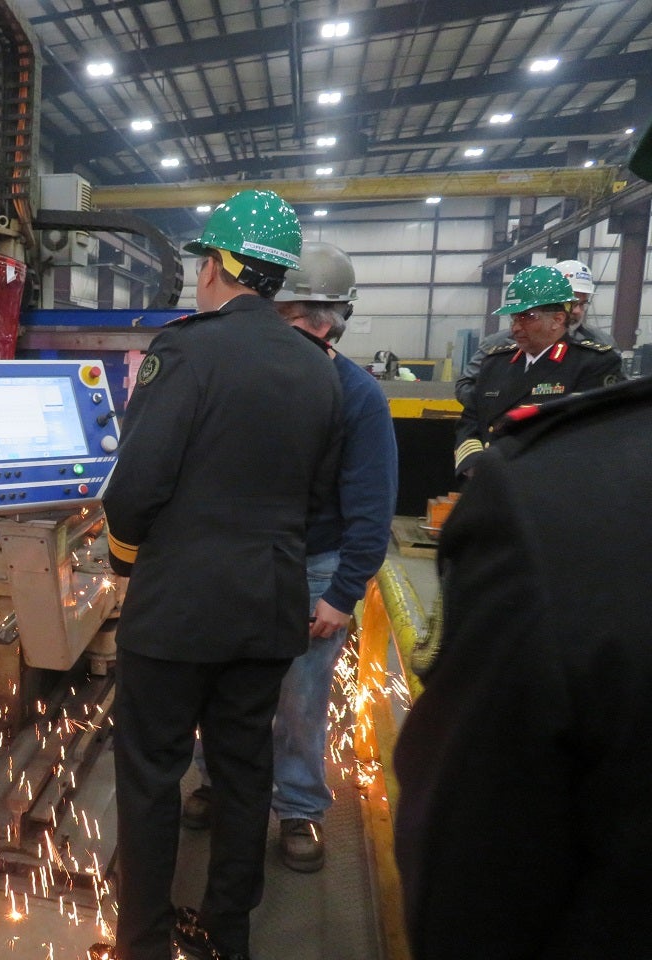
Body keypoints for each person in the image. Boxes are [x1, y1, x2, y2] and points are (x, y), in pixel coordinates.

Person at [98, 190, 342, 960]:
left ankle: (143, 941)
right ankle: (226, 935)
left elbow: (134, 489)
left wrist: (124, 557)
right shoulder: (319, 370)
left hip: (177, 612)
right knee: (244, 772)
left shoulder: (186, 351)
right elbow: (317, 496)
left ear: (216, 268)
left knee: (151, 776)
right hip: (269, 605)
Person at [394, 373, 652, 958]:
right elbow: (469, 424)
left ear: (562, 324)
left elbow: (469, 847)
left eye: (532, 322)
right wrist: (472, 463)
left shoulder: (552, 490)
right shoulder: (498, 373)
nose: (520, 328)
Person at [182, 243, 399, 872]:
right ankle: (215, 778)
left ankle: (300, 804)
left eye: (289, 316)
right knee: (221, 684)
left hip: (313, 568)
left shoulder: (356, 396)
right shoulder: (242, 382)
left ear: (328, 322)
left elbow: (371, 506)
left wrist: (342, 592)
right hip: (238, 562)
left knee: (300, 698)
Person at [453, 263, 621, 476]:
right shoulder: (494, 363)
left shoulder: (594, 364)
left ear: (557, 320)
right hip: (491, 482)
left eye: (528, 317)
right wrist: (474, 465)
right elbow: (470, 421)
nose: (515, 327)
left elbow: (592, 435)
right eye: (514, 317)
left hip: (550, 483)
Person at [454, 257, 613, 407]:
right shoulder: (498, 345)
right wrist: (495, 406)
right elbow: (465, 386)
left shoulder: (602, 347)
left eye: (582, 304)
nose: (577, 311)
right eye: (570, 303)